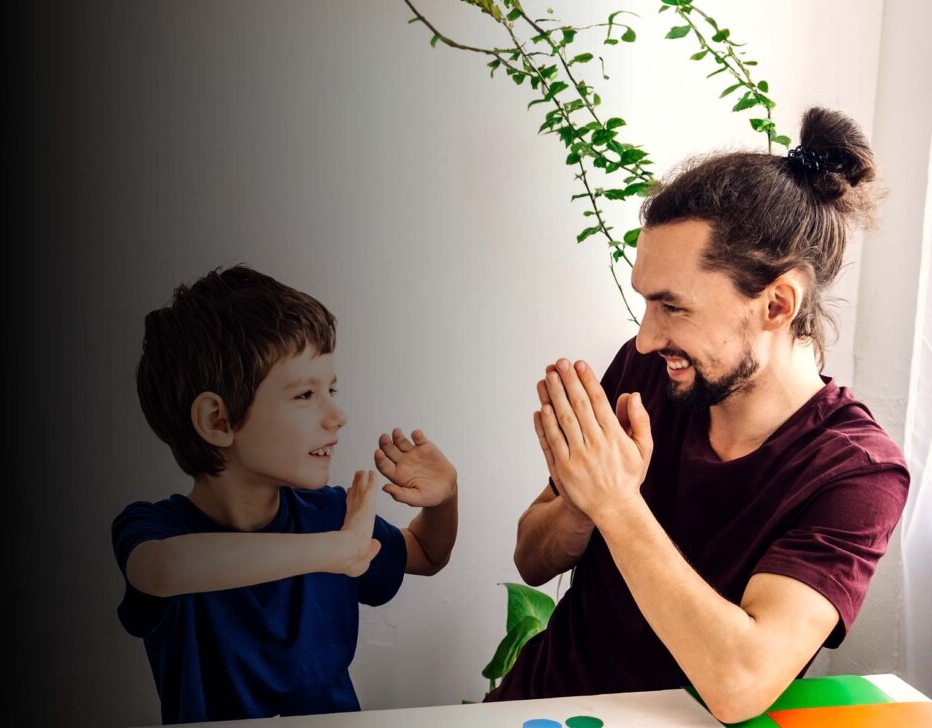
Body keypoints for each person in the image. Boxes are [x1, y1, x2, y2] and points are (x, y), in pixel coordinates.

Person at [489, 107, 910, 724]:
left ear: (776, 304)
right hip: (537, 708)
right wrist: (582, 499)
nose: (645, 340)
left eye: (672, 307)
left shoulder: (856, 473)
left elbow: (740, 683)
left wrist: (616, 503)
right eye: (645, 303)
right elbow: (532, 556)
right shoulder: (645, 377)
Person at [113, 264, 460, 724]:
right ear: (218, 421)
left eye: (331, 389)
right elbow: (162, 570)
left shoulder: (332, 513)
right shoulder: (157, 531)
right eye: (304, 395)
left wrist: (445, 499)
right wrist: (338, 550)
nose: (337, 415)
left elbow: (426, 554)